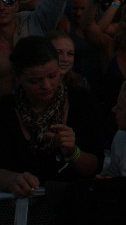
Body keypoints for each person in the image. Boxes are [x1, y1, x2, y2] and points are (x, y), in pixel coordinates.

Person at [0, 36, 104, 197]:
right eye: (35, 81)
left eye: (52, 76)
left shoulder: (82, 102)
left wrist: (73, 152)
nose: (46, 86)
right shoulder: (5, 110)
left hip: (71, 205)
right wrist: (11, 179)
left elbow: (94, 166)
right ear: (18, 78)